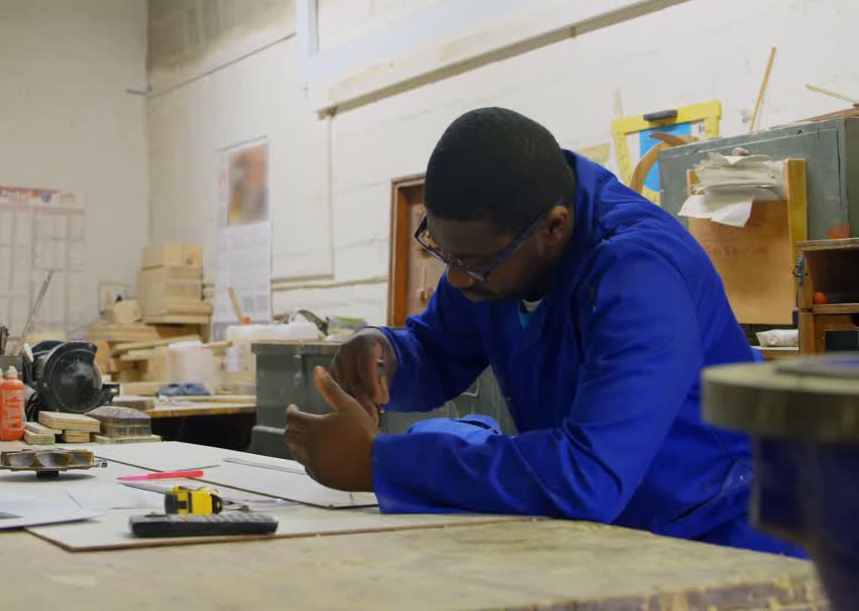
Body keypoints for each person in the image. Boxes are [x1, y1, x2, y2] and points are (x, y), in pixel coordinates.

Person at [284, 108, 803, 556]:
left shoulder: (639, 274)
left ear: (553, 228)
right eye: (444, 254)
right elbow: (439, 350)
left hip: (719, 543)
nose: (458, 279)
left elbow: (588, 475)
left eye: (473, 262)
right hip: (617, 534)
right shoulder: (502, 250)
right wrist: (388, 354)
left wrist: (381, 464)